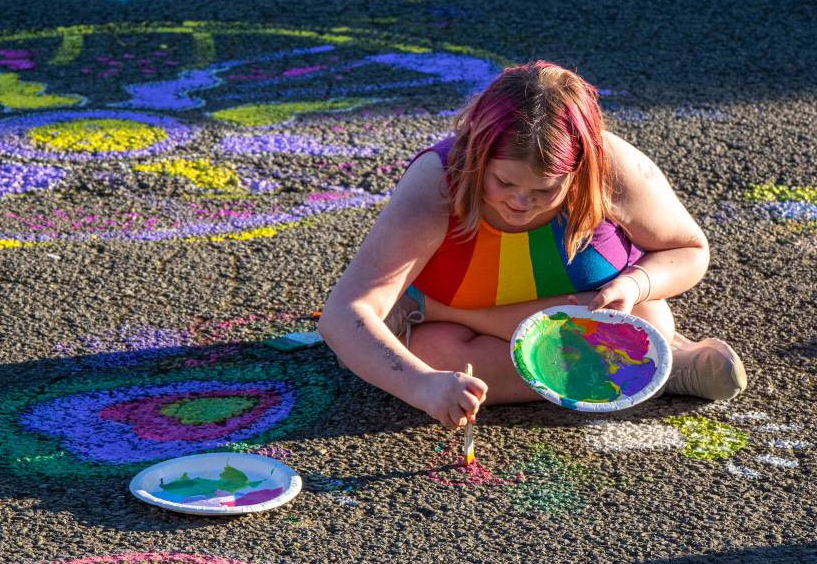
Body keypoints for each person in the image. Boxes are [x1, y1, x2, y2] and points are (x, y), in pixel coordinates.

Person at [318, 61, 746, 428]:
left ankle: (654, 363)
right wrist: (423, 385)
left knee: (649, 317)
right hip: (478, 340)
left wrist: (635, 284)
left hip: (584, 323)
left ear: (580, 168)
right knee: (435, 358)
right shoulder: (438, 182)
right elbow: (343, 315)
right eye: (504, 182)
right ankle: (649, 370)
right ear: (476, 154)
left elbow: (690, 249)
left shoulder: (609, 165)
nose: (520, 203)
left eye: (545, 191)